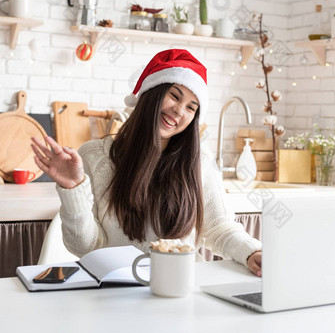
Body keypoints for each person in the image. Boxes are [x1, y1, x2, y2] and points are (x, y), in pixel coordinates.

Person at [32, 49, 262, 277]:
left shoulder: (199, 161)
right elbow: (83, 247)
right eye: (175, 95)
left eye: (191, 107)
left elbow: (220, 229)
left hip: (178, 286)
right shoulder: (94, 157)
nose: (179, 110)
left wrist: (251, 252)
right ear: (152, 92)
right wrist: (73, 188)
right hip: (114, 291)